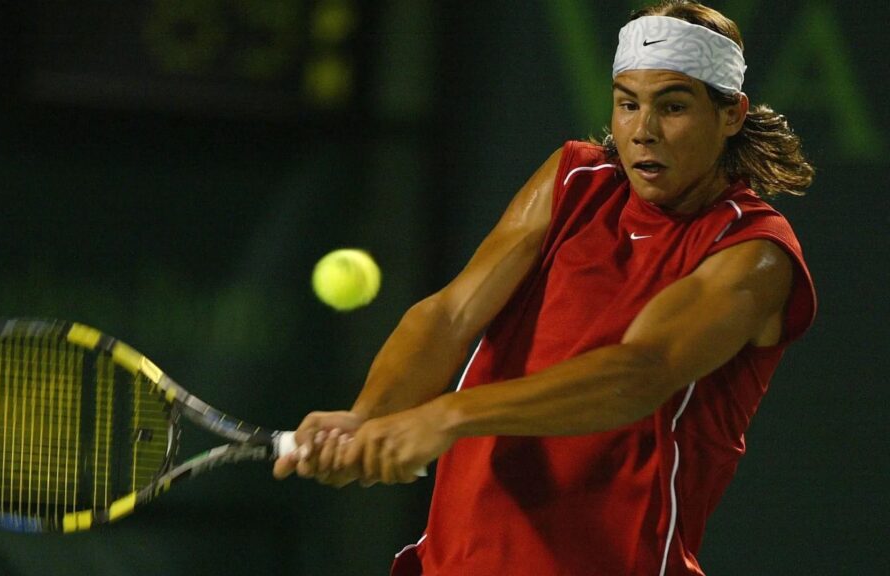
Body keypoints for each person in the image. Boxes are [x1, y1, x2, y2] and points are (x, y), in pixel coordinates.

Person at [275, 1, 816, 574]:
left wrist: (449, 416)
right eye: (627, 103)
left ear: (731, 114)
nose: (643, 131)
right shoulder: (573, 182)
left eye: (673, 106)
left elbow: (638, 374)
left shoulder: (754, 252)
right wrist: (371, 416)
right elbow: (451, 314)